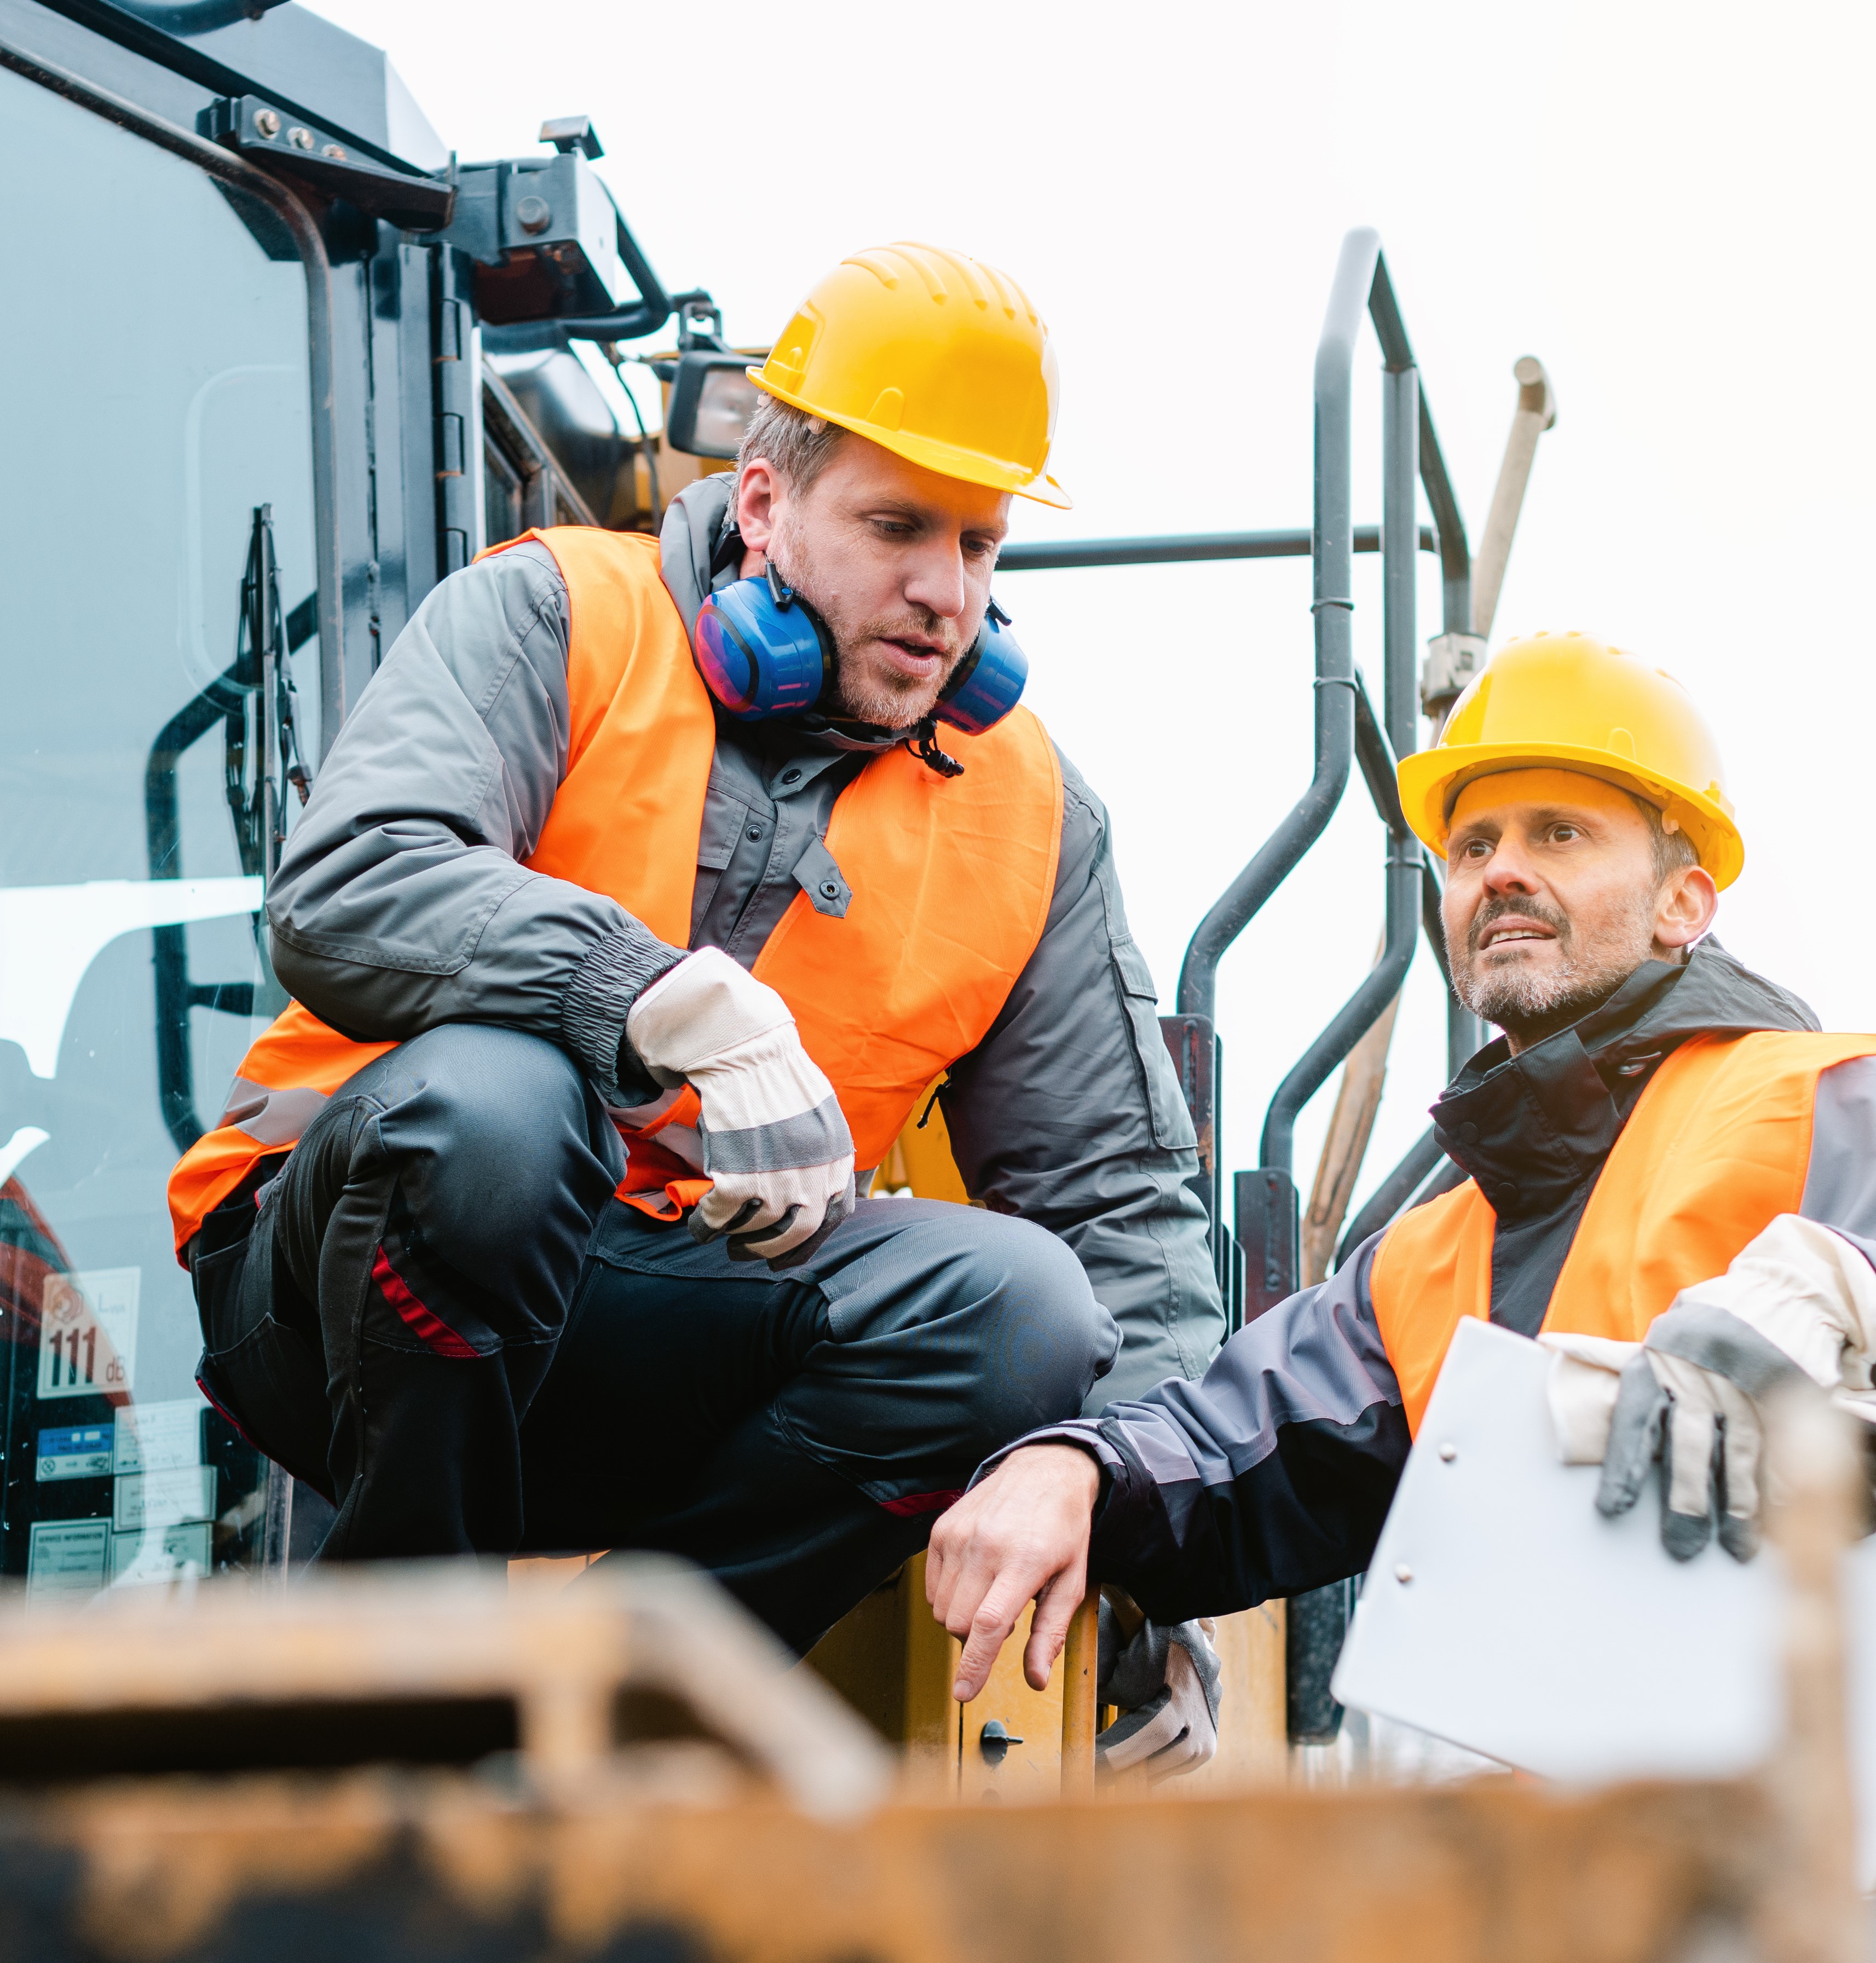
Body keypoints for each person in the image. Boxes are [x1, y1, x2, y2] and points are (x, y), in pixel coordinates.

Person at [925, 633, 1876, 1960]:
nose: (1500, 867)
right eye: (1472, 841)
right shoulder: (1430, 1260)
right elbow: (1224, 1443)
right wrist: (1078, 1468)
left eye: (1559, 831)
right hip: (1695, 1901)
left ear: (1682, 901)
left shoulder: (1817, 1098)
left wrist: (1857, 1294)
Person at [166, 244, 1219, 1658]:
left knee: (1028, 1315)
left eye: (978, 545)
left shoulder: (1035, 815)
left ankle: (611, 1697)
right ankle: (393, 1695)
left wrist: (1143, 1535)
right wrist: (650, 994)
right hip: (347, 1288)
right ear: (767, 506)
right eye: (899, 526)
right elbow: (349, 884)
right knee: (495, 1110)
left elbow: (1123, 1209)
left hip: (675, 1334)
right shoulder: (555, 612)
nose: (946, 594)